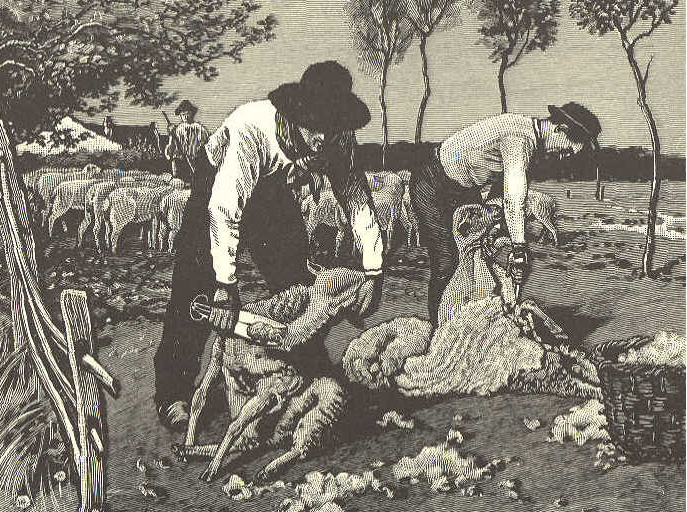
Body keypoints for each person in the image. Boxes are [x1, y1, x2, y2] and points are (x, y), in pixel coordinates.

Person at [153, 61, 385, 430]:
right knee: (194, 286)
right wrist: (226, 286)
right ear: (296, 116)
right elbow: (224, 208)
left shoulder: (337, 139)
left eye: (331, 127)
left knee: (295, 279)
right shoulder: (251, 129)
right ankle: (173, 394)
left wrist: (374, 270)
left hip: (274, 191)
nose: (323, 138)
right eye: (315, 126)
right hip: (217, 183)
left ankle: (312, 374)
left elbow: (357, 200)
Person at [408, 102, 601, 324]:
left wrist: (501, 226)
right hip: (432, 184)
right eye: (565, 150)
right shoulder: (520, 140)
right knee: (447, 261)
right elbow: (513, 198)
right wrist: (519, 248)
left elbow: (498, 186)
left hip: (463, 189)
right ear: (560, 130)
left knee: (477, 255)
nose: (562, 157)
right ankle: (439, 327)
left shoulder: (527, 135)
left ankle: (465, 318)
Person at [164, 100, 210, 182]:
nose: (185, 117)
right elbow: (172, 148)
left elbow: (205, 144)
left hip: (196, 160)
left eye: (187, 114)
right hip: (182, 161)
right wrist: (171, 135)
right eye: (183, 115)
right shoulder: (178, 129)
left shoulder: (199, 128)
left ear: (192, 113)